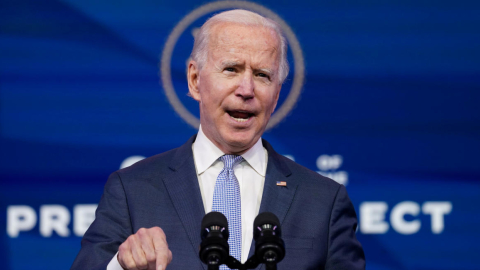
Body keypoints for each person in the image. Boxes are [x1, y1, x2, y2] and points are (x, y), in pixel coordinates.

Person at [71, 9, 365, 270]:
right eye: (231, 69)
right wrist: (122, 267)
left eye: (262, 75)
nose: (246, 89)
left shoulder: (324, 201)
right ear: (195, 80)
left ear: (276, 95)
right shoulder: (132, 191)